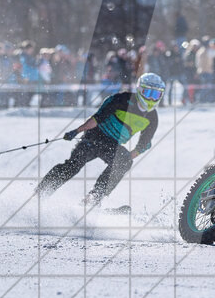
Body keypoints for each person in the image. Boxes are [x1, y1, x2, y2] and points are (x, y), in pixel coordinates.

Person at [35, 72, 164, 206]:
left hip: (112, 144)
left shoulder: (152, 117)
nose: (151, 99)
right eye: (148, 93)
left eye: (156, 95)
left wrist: (126, 159)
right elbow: (97, 118)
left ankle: (94, 197)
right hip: (95, 136)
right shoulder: (121, 99)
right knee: (73, 166)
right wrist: (77, 131)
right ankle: (41, 192)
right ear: (139, 89)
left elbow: (144, 144)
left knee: (125, 162)